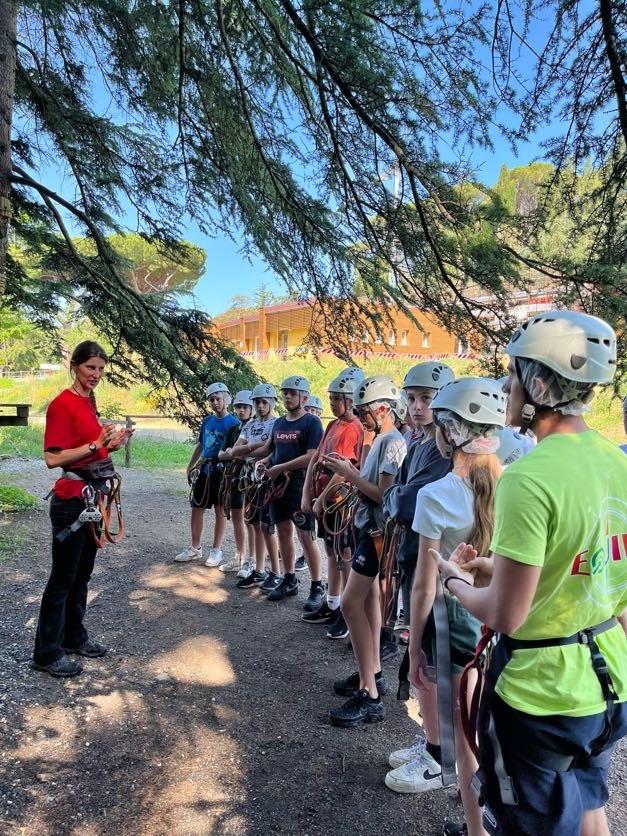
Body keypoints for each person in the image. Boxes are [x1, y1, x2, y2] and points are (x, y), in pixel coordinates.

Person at [436, 311, 627, 836]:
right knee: (589, 807)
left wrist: (453, 581)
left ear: (540, 383)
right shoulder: (615, 461)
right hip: (608, 681)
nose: (505, 385)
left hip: (542, 694)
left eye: (514, 372)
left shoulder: (527, 477)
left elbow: (506, 615)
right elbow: (597, 565)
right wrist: (500, 568)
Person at [385, 378, 506, 836]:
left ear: (450, 433)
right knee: (485, 723)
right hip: (498, 616)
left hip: (453, 619)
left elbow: (423, 585)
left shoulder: (436, 494)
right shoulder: (512, 483)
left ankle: (476, 829)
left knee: (464, 733)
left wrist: (414, 647)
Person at [32, 341, 130, 678]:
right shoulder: (63, 404)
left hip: (91, 500)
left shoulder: (88, 402)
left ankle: (73, 635)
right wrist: (96, 444)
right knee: (62, 578)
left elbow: (90, 451)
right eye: (90, 367)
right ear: (75, 366)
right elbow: (53, 458)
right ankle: (47, 653)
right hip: (71, 502)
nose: (96, 374)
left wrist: (110, 446)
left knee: (82, 574)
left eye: (101, 369)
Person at [326, 375, 407, 727]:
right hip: (369, 529)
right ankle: (370, 675)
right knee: (369, 600)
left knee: (349, 603)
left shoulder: (392, 444)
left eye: (364, 412)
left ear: (383, 409)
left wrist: (349, 473)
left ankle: (370, 695)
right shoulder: (383, 441)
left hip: (376, 532)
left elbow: (383, 496)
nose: (360, 418)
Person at [383, 362, 455, 643]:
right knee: (417, 629)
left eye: (426, 398)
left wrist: (395, 496)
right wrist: (396, 496)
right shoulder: (416, 442)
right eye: (412, 398)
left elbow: (405, 502)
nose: (417, 407)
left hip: (430, 554)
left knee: (427, 639)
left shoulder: (442, 449)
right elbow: (398, 492)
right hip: (411, 548)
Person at [250, 376, 325, 608]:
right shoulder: (280, 423)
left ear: (305, 397)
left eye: (293, 393)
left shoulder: (312, 423)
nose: (288, 397)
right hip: (277, 483)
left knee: (305, 535)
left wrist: (280, 467)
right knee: (283, 530)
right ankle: (289, 578)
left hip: (300, 484)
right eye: (285, 393)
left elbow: (311, 456)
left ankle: (317, 586)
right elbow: (274, 450)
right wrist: (264, 462)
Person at [302, 370, 364, 637]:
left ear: (350, 400)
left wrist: (322, 500)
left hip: (339, 500)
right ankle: (333, 602)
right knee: (331, 550)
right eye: (330, 398)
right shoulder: (333, 425)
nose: (332, 404)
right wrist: (307, 493)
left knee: (344, 554)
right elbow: (316, 457)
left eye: (336, 399)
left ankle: (347, 611)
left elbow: (343, 469)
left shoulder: (353, 428)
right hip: (326, 499)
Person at [174, 382, 239, 567]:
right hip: (205, 468)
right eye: (211, 400)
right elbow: (201, 444)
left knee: (220, 510)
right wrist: (190, 466)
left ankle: (216, 550)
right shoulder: (208, 421)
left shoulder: (233, 423)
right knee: (197, 507)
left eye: (218, 399)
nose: (214, 403)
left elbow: (235, 451)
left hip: (222, 471)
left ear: (226, 399)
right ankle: (195, 548)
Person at [229, 383, 281, 591]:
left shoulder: (276, 424)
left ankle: (275, 571)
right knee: (252, 522)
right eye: (257, 402)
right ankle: (258, 569)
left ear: (271, 403)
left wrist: (247, 449)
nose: (260, 406)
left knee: (265, 524)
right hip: (249, 477)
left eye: (263, 402)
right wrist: (251, 449)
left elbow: (268, 449)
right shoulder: (249, 425)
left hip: (264, 477)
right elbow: (234, 450)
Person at [216, 390, 256, 574]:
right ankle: (240, 556)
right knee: (237, 517)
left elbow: (247, 452)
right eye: (238, 407)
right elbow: (221, 454)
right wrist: (234, 454)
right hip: (234, 476)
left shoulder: (256, 428)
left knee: (251, 519)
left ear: (251, 408)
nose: (241, 410)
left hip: (250, 476)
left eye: (245, 407)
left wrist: (234, 453)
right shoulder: (233, 429)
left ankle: (252, 560)